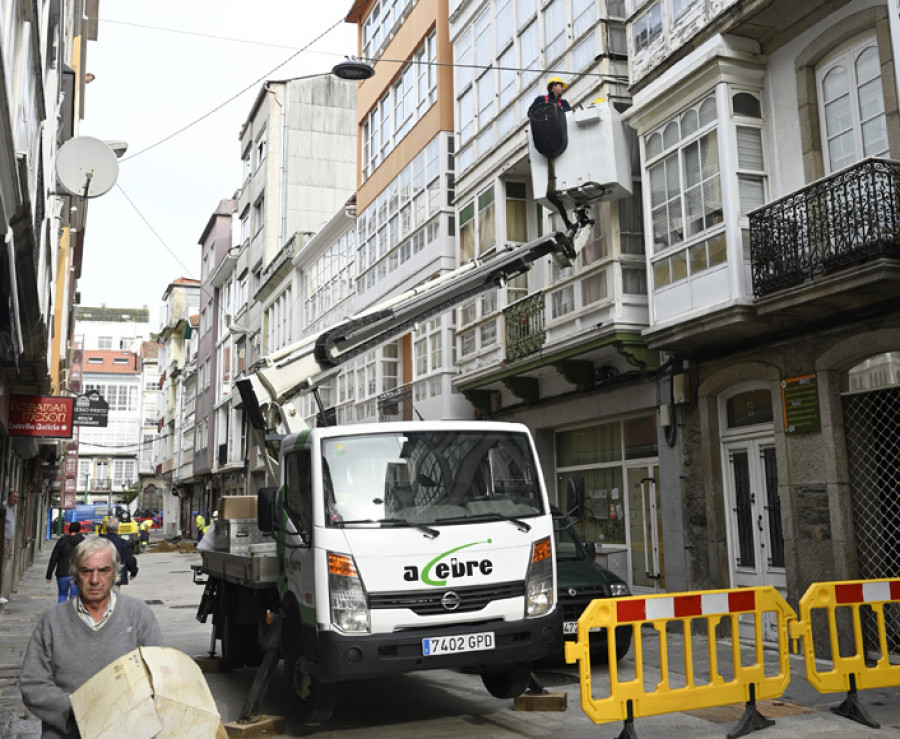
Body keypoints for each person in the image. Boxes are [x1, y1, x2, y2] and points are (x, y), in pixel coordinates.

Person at [20, 537, 163, 738]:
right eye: (86, 571)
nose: (95, 580)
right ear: (75, 574)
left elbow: (159, 678)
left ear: (115, 573)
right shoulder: (52, 621)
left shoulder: (139, 615)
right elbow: (32, 683)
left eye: (103, 570)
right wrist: (77, 709)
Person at [45, 522, 86, 603]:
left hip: (62, 573)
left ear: (69, 529)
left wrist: (49, 575)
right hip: (77, 574)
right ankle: (72, 614)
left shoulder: (62, 541)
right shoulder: (83, 542)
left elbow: (54, 558)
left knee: (62, 595)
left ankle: (61, 614)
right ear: (79, 530)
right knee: (74, 597)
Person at [101, 517, 138, 586]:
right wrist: (133, 572)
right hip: (116, 577)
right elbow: (129, 559)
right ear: (117, 529)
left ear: (106, 528)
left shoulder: (98, 542)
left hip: (100, 578)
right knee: (114, 595)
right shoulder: (123, 543)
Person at [0, 489, 19, 605]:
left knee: (3, 568)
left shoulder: (11, 510)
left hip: (7, 543)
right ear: (8, 497)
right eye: (14, 497)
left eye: (17, 497)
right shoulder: (4, 509)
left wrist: (10, 544)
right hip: (2, 543)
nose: (16, 499)